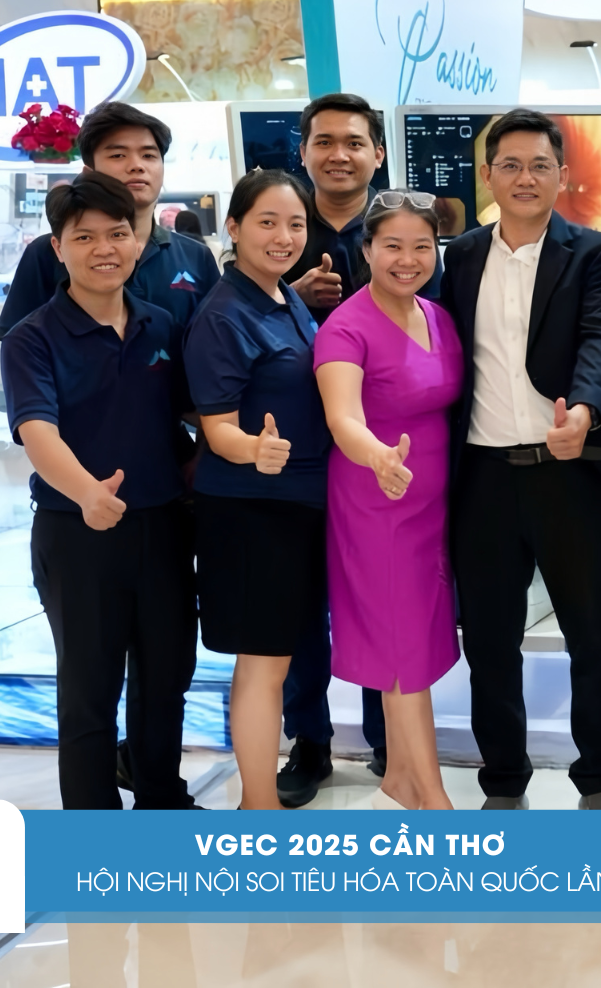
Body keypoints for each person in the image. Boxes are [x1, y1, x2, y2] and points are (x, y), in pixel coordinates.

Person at [439, 108, 601, 810]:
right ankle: (503, 779)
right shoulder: (459, 257)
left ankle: (599, 778)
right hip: (482, 477)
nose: (525, 178)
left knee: (591, 637)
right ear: (488, 176)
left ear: (562, 176)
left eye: (540, 165)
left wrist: (587, 409)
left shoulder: (595, 254)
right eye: (511, 165)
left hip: (569, 473)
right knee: (489, 642)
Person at [0, 173, 197, 810]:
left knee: (166, 677)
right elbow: (36, 431)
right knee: (89, 688)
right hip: (77, 532)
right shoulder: (32, 337)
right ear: (58, 248)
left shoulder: (161, 325)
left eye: (117, 234)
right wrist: (88, 493)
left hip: (163, 527)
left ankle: (162, 799)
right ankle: (92, 826)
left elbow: (191, 414)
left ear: (138, 242)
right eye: (84, 237)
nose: (104, 249)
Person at [184, 170, 333, 811]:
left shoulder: (282, 298)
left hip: (298, 506)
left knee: (283, 654)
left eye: (295, 224)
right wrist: (256, 449)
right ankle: (258, 806)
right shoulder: (223, 314)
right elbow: (217, 429)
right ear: (234, 227)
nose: (283, 236)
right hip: (252, 511)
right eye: (267, 222)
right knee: (264, 663)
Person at [315, 190, 463, 811]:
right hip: (376, 506)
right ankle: (432, 797)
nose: (408, 260)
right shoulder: (346, 326)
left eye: (421, 247)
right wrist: (377, 455)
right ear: (368, 249)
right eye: (393, 246)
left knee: (420, 644)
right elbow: (342, 417)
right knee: (401, 648)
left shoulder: (437, 316)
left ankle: (400, 781)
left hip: (432, 508)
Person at [276, 92, 392, 807]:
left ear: (377, 153)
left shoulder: (399, 227)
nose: (338, 155)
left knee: (380, 599)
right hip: (295, 453)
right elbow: (242, 310)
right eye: (324, 142)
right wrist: (293, 294)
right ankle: (309, 743)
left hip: (383, 453)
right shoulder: (283, 225)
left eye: (353, 142)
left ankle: (388, 739)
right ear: (304, 152)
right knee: (299, 606)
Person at [0, 102, 218, 342]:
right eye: (118, 155)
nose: (137, 166)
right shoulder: (47, 253)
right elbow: (19, 346)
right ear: (89, 172)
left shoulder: (196, 257)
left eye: (149, 155)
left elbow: (215, 344)